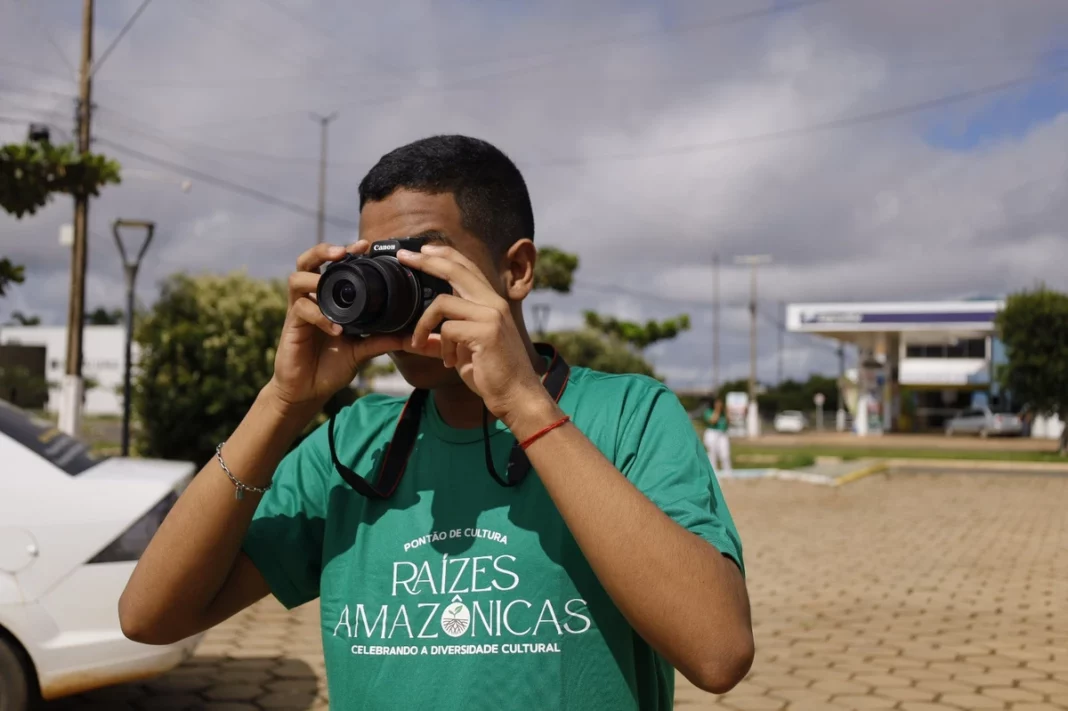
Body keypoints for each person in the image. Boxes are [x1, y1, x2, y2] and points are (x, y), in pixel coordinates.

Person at [118, 135, 753, 710]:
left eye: (422, 263)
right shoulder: (353, 447)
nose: (397, 287)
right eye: (380, 264)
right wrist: (282, 403)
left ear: (517, 270)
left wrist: (525, 406)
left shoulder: (627, 417)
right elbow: (150, 616)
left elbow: (718, 653)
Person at [702, 397, 732, 477]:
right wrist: (717, 409)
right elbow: (713, 420)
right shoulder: (709, 411)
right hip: (712, 433)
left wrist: (726, 411)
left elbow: (728, 422)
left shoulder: (723, 413)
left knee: (725, 454)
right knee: (712, 454)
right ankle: (714, 475)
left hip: (722, 434)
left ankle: (728, 474)